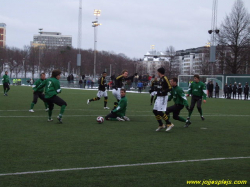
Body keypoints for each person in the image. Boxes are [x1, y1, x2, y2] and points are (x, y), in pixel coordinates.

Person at [153, 67, 172, 132]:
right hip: (158, 97)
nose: (157, 73)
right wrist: (154, 91)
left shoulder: (165, 78)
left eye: (157, 72)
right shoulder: (160, 79)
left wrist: (163, 91)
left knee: (159, 112)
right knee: (155, 111)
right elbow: (159, 88)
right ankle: (161, 125)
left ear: (159, 72)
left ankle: (169, 123)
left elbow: (170, 87)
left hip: (163, 97)